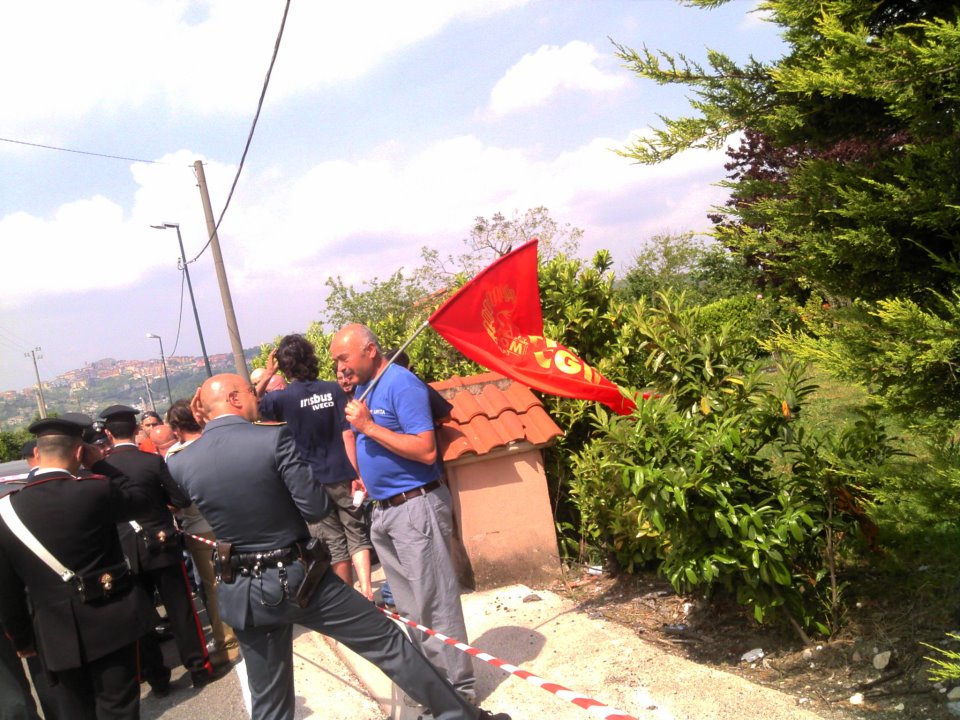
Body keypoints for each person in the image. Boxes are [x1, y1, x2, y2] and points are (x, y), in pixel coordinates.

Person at [167, 373, 509, 720]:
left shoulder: (180, 461)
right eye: (250, 392)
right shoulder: (272, 439)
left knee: (269, 702)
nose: (257, 398)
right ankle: (461, 717)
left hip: (243, 590)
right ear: (235, 398)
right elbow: (315, 507)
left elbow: (187, 498)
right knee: (387, 643)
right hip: (301, 580)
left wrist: (206, 423)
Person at [330, 324, 477, 705]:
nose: (340, 368)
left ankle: (458, 697)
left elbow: (426, 450)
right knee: (411, 608)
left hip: (416, 507)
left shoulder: (401, 383)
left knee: (436, 604)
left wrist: (368, 426)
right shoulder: (365, 389)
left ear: (370, 350)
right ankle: (435, 692)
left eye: (344, 358)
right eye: (336, 362)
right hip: (385, 511)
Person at [0, 413, 158, 719]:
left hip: (56, 632)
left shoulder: (6, 512)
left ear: (37, 454)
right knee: (119, 707)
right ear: (78, 451)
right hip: (112, 618)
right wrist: (100, 463)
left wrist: (22, 637)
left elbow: (8, 589)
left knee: (75, 711)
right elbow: (142, 500)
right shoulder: (95, 489)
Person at [99, 404, 213, 694]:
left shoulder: (99, 471)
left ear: (108, 434)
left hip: (124, 552)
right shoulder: (151, 461)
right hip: (161, 542)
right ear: (137, 431)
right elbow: (180, 499)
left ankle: (158, 680)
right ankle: (198, 667)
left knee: (141, 618)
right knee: (181, 608)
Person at [256, 335, 374, 600]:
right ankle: (367, 589)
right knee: (355, 531)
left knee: (332, 541)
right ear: (311, 357)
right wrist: (356, 474)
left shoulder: (282, 399)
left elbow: (253, 407)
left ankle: (348, 598)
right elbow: (348, 434)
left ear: (284, 365)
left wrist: (268, 374)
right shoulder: (334, 390)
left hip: (309, 483)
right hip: (342, 474)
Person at [165, 400, 240, 668]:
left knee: (214, 588)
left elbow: (178, 500)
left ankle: (227, 644)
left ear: (176, 428)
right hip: (234, 520)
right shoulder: (219, 443)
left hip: (200, 529)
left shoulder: (174, 457)